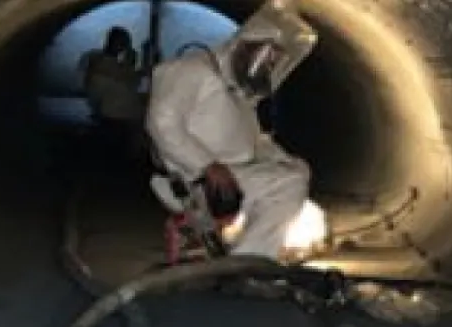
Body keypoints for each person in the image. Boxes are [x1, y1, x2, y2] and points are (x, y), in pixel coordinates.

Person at [146, 1, 318, 260]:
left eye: (274, 61)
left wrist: (284, 160)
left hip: (229, 174)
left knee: (296, 173)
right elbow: (162, 123)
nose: (268, 66)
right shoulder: (191, 71)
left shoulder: (236, 90)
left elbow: (254, 140)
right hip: (193, 180)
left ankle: (248, 253)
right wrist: (207, 165)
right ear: (245, 45)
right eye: (266, 56)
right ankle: (248, 261)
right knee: (287, 186)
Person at [78, 27, 145, 157]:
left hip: (113, 115)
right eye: (124, 44)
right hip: (116, 118)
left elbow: (128, 81)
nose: (125, 48)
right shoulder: (104, 64)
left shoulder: (103, 63)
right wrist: (130, 64)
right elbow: (128, 79)